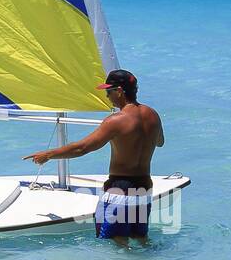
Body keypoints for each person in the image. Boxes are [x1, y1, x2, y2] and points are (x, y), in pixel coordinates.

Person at [23, 69, 164, 246]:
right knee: (140, 239)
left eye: (108, 92)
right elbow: (159, 142)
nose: (107, 96)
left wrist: (48, 155)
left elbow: (82, 148)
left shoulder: (115, 121)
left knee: (116, 243)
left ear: (119, 91)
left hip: (119, 190)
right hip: (144, 189)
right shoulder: (153, 115)